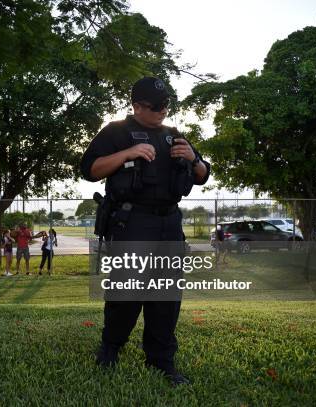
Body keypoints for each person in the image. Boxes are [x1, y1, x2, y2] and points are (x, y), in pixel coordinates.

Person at [80, 77, 210, 386]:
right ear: (137, 106)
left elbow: (203, 174)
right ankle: (110, 348)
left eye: (167, 105)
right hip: (132, 221)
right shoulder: (117, 132)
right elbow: (89, 169)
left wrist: (194, 160)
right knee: (126, 292)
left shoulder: (174, 135)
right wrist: (127, 153)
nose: (164, 112)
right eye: (157, 107)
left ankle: (161, 359)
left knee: (166, 296)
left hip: (169, 222)